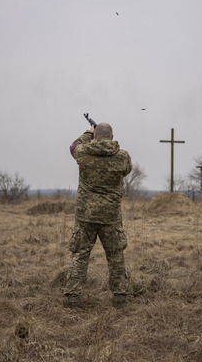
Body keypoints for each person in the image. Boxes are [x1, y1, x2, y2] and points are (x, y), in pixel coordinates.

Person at [64, 122, 132, 307]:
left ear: (95, 136)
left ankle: (72, 298)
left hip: (85, 216)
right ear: (112, 137)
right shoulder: (122, 156)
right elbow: (126, 170)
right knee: (116, 257)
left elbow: (73, 146)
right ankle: (120, 298)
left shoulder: (83, 152)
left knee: (80, 256)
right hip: (110, 217)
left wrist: (88, 131)